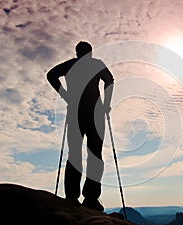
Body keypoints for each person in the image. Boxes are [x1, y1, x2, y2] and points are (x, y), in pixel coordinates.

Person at [47, 41, 114, 211]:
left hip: (75, 111)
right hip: (96, 112)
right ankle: (91, 198)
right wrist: (106, 104)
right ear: (90, 52)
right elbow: (109, 80)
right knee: (95, 155)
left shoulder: (71, 64)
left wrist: (66, 96)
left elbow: (51, 75)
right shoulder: (96, 64)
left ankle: (71, 196)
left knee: (75, 154)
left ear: (77, 53)